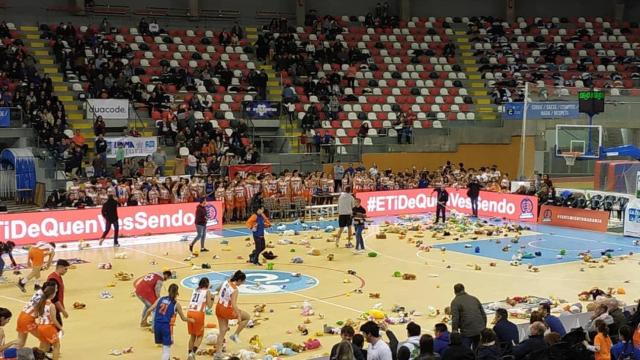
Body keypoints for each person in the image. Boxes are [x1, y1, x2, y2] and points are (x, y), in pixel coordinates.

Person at [143, 284, 194, 360]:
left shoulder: (160, 298)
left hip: (156, 325)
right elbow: (183, 318)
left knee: (165, 346)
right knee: (166, 349)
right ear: (177, 293)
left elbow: (149, 310)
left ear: (168, 291)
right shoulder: (176, 304)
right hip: (165, 326)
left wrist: (144, 319)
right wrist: (190, 320)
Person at [215, 270, 251, 359]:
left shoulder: (226, 281)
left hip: (218, 307)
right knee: (247, 317)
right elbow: (234, 304)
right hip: (227, 310)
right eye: (243, 281)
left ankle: (218, 354)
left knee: (222, 331)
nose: (243, 283)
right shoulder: (235, 289)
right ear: (239, 280)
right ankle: (235, 334)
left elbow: (217, 289)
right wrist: (238, 316)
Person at [15, 281, 57, 348]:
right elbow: (43, 314)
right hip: (28, 320)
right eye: (56, 289)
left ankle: (6, 353)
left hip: (22, 316)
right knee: (45, 339)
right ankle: (40, 355)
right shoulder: (46, 301)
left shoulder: (39, 292)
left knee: (20, 342)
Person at [450, 283, 486, 350]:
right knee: (478, 351)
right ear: (464, 289)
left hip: (467, 332)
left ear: (454, 292)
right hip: (480, 330)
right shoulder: (474, 298)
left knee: (465, 351)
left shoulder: (455, 302)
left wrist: (454, 332)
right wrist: (483, 328)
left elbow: (455, 319)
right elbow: (483, 315)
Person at [187, 278, 213, 360]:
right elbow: (209, 306)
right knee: (200, 335)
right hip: (198, 314)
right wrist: (212, 297)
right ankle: (193, 353)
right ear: (207, 284)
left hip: (189, 312)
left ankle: (189, 354)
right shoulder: (207, 292)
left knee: (192, 335)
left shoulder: (195, 290)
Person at [35, 286, 62, 360]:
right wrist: (60, 328)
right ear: (52, 294)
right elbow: (54, 319)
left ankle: (36, 358)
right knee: (56, 346)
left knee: (45, 347)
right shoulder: (51, 305)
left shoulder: (40, 302)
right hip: (48, 327)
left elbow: (35, 314)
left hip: (40, 327)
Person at [46, 260, 70, 329]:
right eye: (65, 269)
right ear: (60, 267)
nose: (66, 271)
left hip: (55, 308)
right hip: (53, 308)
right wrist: (63, 311)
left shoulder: (57, 277)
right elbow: (54, 298)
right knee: (57, 328)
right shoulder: (53, 279)